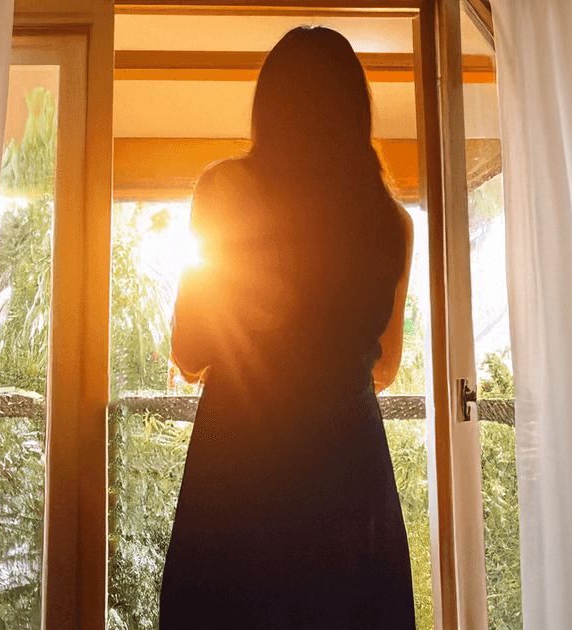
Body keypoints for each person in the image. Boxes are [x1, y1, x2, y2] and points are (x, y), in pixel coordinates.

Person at [159, 26, 416, 629]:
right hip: (348, 469)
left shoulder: (223, 190)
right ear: (357, 110)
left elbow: (189, 350)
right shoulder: (392, 222)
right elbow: (384, 366)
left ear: (267, 107)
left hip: (240, 463)